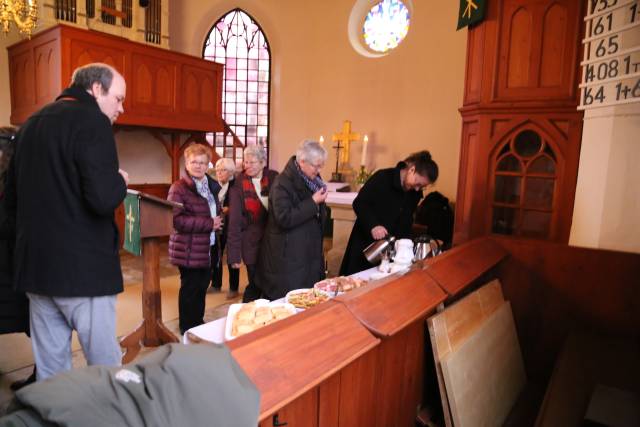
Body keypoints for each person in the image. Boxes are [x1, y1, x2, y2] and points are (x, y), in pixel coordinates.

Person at [4, 63, 130, 381]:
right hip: (82, 273)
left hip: (36, 271)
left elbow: (10, 205)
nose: (121, 108)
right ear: (97, 89)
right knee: (105, 369)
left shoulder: (30, 125)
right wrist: (120, 181)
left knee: (51, 373)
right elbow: (102, 199)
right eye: (118, 98)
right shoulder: (93, 122)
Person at [339, 150, 439, 276]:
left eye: (422, 187)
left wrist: (406, 245)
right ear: (412, 170)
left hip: (392, 251)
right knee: (356, 283)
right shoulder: (383, 178)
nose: (418, 189)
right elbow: (359, 203)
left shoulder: (414, 193)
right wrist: (373, 225)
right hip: (366, 244)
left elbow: (407, 220)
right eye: (418, 183)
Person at [256, 140, 328, 300]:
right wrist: (313, 202)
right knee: (289, 301)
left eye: (321, 165)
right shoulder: (282, 183)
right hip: (288, 257)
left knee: (307, 299)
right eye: (316, 165)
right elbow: (284, 218)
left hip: (306, 252)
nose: (318, 170)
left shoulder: (313, 181)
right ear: (302, 161)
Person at [168, 144, 223, 335]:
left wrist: (218, 219)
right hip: (188, 247)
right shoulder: (179, 188)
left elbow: (213, 209)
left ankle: (197, 322)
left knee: (202, 287)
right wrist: (209, 223)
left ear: (208, 164)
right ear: (187, 163)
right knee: (190, 289)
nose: (198, 166)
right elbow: (176, 220)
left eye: (202, 162)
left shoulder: (210, 184)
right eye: (194, 162)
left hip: (208, 245)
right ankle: (187, 327)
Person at [0, 126, 36, 390]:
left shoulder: (25, 178)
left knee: (35, 322)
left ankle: (42, 374)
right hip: (13, 260)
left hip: (19, 260)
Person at [227, 145, 278, 303]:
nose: (247, 166)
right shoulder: (238, 184)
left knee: (272, 282)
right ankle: (248, 314)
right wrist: (233, 255)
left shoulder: (275, 178)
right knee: (255, 283)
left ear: (263, 162)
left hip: (274, 240)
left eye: (252, 162)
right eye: (245, 162)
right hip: (251, 242)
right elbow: (234, 221)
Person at [210, 157, 240, 299]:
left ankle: (233, 288)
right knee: (215, 253)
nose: (219, 173)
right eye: (217, 170)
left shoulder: (236, 184)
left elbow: (242, 203)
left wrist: (230, 208)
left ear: (231, 171)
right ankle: (216, 284)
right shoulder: (214, 184)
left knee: (232, 255)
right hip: (217, 223)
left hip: (232, 223)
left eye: (223, 170)